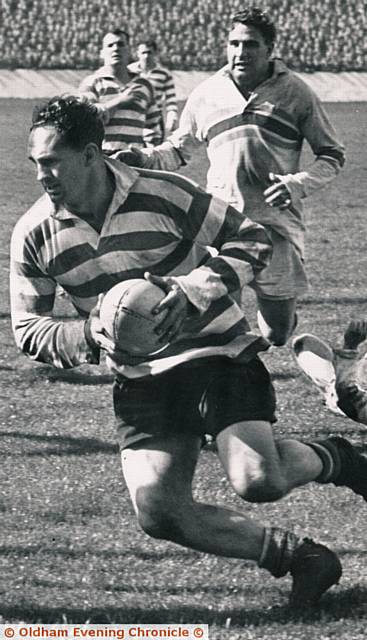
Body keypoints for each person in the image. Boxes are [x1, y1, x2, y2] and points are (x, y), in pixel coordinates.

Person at [10, 96, 367, 609]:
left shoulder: (164, 193)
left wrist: (193, 289)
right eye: (35, 164)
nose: (41, 174)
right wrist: (89, 333)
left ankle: (340, 458)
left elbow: (251, 238)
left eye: (51, 161)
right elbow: (28, 328)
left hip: (217, 352)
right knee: (158, 512)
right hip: (142, 378)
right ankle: (301, 558)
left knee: (257, 480)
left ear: (90, 154)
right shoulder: (34, 234)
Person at [118, 8, 345, 347]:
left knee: (277, 334)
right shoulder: (207, 93)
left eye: (251, 44)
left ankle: (277, 321)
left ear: (270, 48)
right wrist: (141, 157)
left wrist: (297, 185)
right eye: (234, 43)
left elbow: (332, 154)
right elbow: (179, 149)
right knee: (220, 327)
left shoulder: (296, 92)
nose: (241, 52)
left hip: (273, 228)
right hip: (221, 226)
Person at [79, 28, 161, 152]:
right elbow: (86, 121)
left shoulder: (144, 85)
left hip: (135, 159)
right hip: (102, 158)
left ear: (129, 51)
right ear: (102, 53)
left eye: (121, 44)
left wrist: (150, 153)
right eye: (110, 45)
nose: (116, 48)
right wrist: (120, 101)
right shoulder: (92, 83)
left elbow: (154, 126)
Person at [293, 321, 367, 424]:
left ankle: (330, 387)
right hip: (349, 383)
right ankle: (331, 383)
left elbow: (347, 397)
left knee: (304, 343)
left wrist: (350, 348)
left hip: (343, 391)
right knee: (303, 342)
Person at [128, 38, 178, 145]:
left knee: (152, 155)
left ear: (155, 53)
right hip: (132, 117)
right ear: (137, 54)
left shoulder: (164, 74)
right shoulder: (129, 71)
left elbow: (171, 99)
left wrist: (172, 117)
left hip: (154, 120)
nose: (146, 56)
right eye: (143, 53)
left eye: (149, 52)